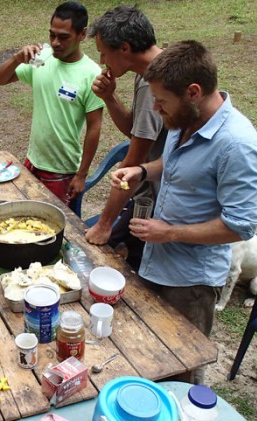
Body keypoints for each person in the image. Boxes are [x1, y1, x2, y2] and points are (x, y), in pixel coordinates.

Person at [112, 40, 257, 383]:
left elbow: (241, 226)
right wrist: (143, 171)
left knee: (181, 376)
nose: (156, 107)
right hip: (157, 262)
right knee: (149, 358)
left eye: (162, 101)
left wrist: (170, 232)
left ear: (194, 92)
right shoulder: (184, 119)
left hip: (191, 283)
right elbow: (175, 164)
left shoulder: (238, 146)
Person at [0, 1, 104, 209]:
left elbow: (94, 127)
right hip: (32, 161)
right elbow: (0, 79)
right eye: (52, 35)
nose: (55, 42)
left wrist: (81, 175)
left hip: (62, 170)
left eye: (63, 37)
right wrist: (17, 58)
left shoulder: (91, 74)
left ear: (82, 34)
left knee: (59, 231)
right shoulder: (42, 58)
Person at [84, 5, 167, 270]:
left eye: (104, 52)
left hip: (164, 196)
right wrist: (109, 97)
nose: (102, 60)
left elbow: (134, 160)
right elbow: (136, 131)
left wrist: (104, 224)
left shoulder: (153, 81)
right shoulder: (152, 70)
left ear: (125, 48)